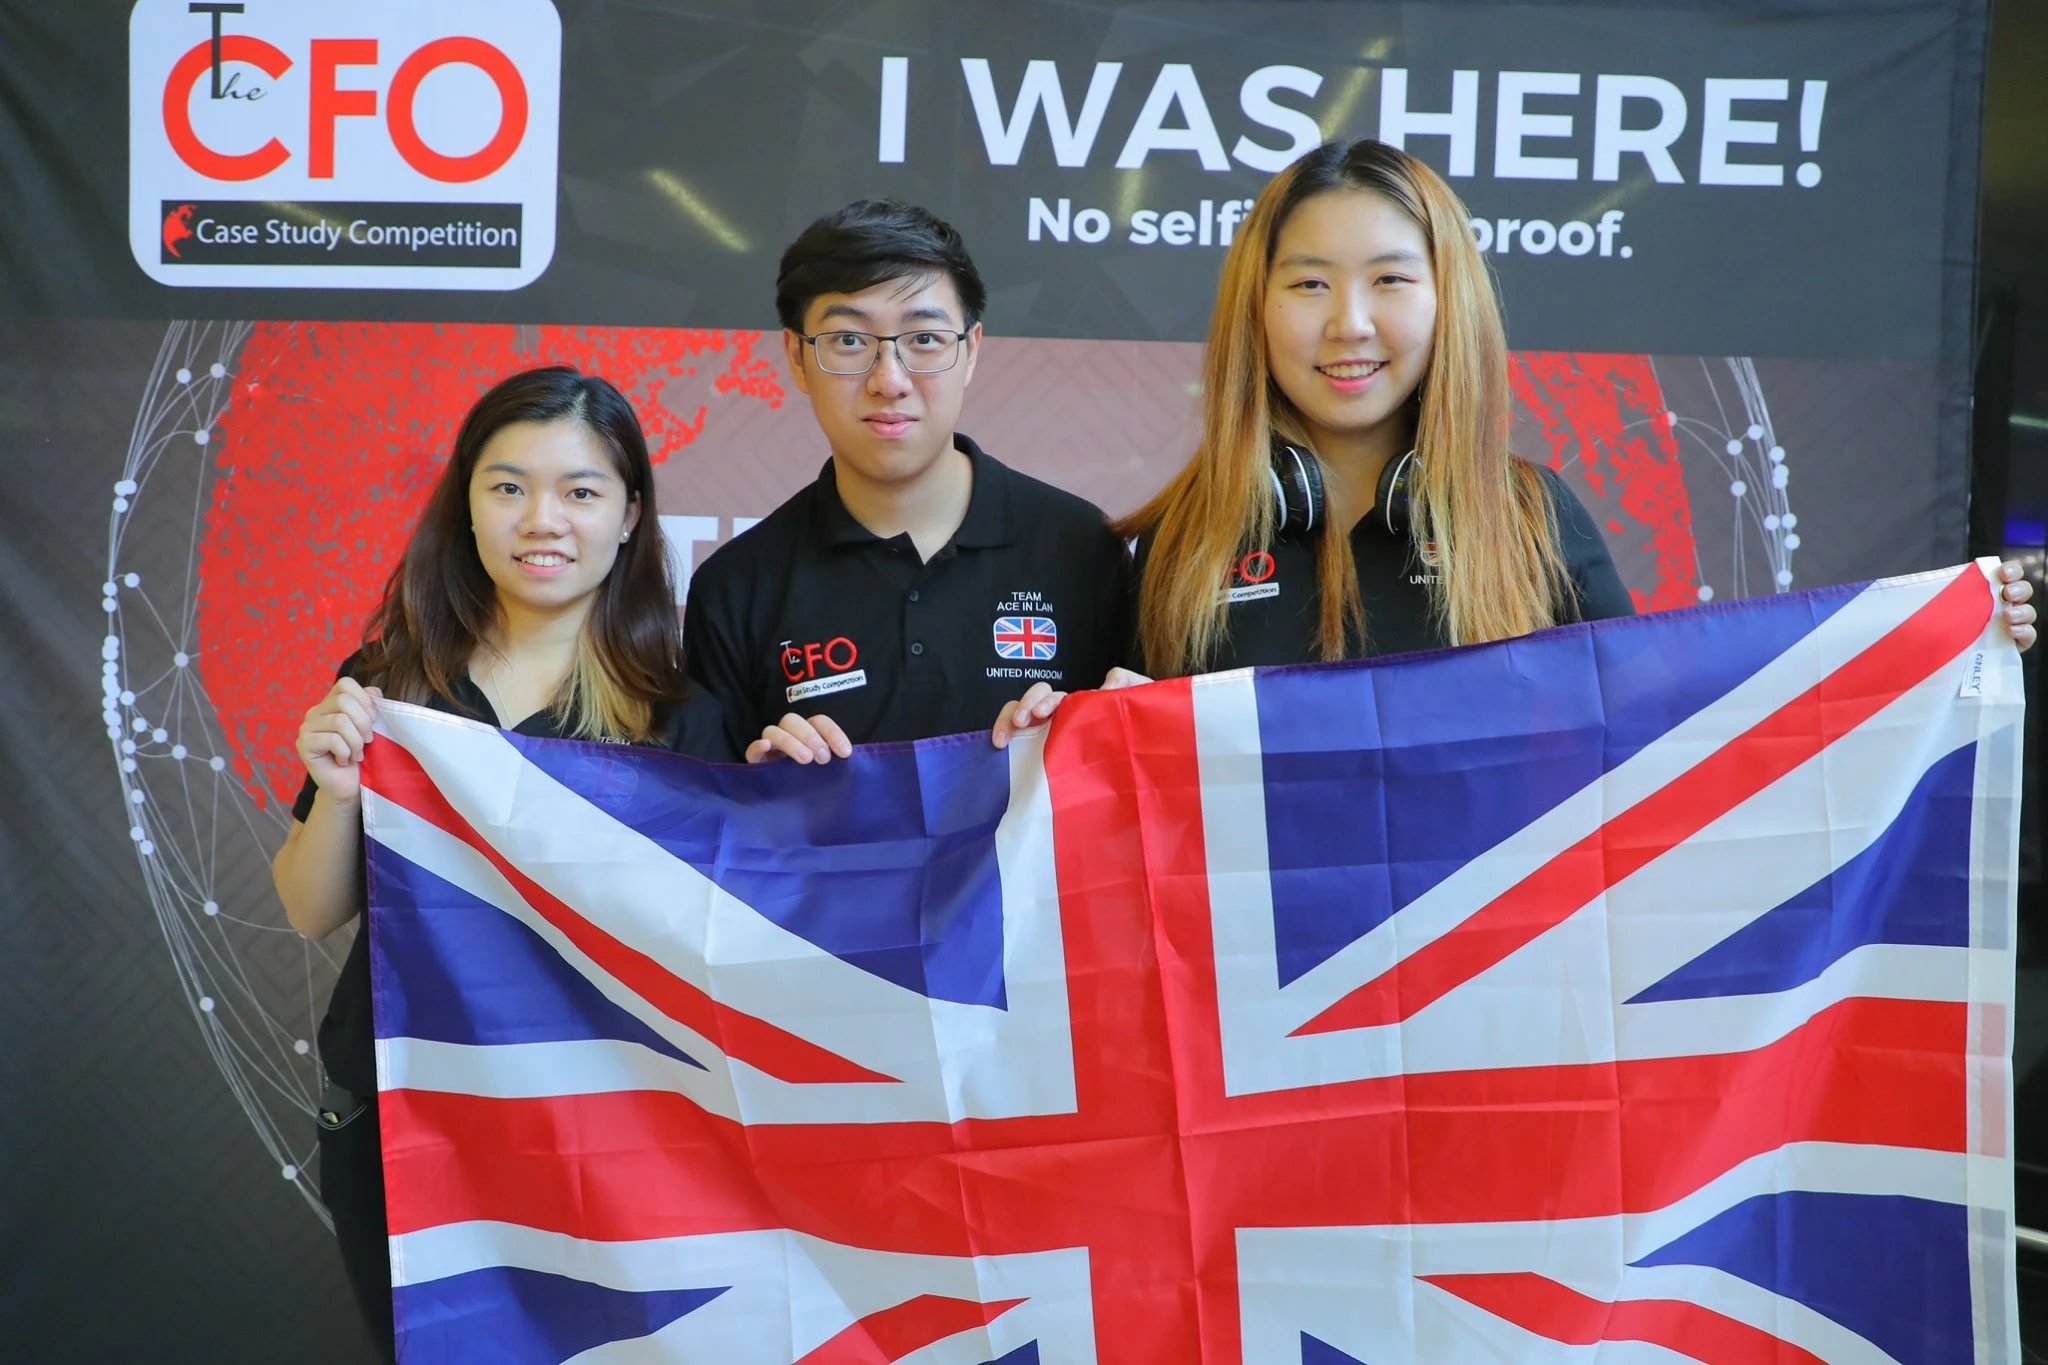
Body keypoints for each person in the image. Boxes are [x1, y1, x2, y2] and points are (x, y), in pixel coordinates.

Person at [990, 138, 2035, 743]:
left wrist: (1929, 642)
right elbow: (1096, 796)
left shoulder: (1530, 520)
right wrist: (1043, 737)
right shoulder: (1176, 544)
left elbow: (1671, 725)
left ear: (1448, 306)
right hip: (1237, 1024)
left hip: (1482, 1021)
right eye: (1306, 284)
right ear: (1253, 313)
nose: (1347, 323)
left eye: (1390, 280)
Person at [271, 366, 733, 1360]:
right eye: (508, 485)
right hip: (400, 1116)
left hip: (603, 1137)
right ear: (467, 507)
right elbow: (314, 912)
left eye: (580, 490)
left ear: (628, 516)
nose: (543, 519)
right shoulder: (387, 687)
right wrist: (340, 789)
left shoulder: (683, 716)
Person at [683, 198, 1131, 764]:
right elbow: (709, 822)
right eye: (849, 341)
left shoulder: (1082, 547)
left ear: (970, 351)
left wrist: (1087, 736)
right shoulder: (738, 587)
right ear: (797, 357)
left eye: (924, 339)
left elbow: (1143, 787)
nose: (888, 380)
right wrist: (765, 789)